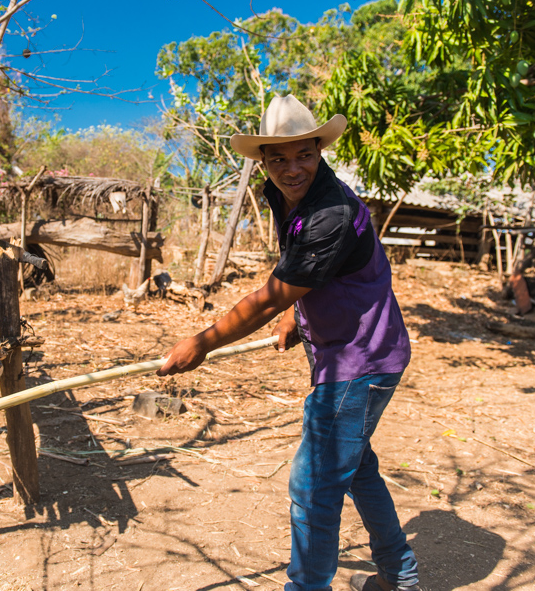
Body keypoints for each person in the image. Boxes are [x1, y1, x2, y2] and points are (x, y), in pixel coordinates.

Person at [159, 95, 420, 591]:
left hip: (360, 358)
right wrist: (298, 314)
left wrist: (203, 341)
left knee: (315, 484)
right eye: (278, 158)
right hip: (341, 349)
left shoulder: (331, 213)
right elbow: (298, 270)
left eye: (303, 154)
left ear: (320, 150)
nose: (291, 168)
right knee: (356, 470)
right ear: (263, 159)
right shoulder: (283, 193)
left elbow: (264, 300)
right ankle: (401, 577)